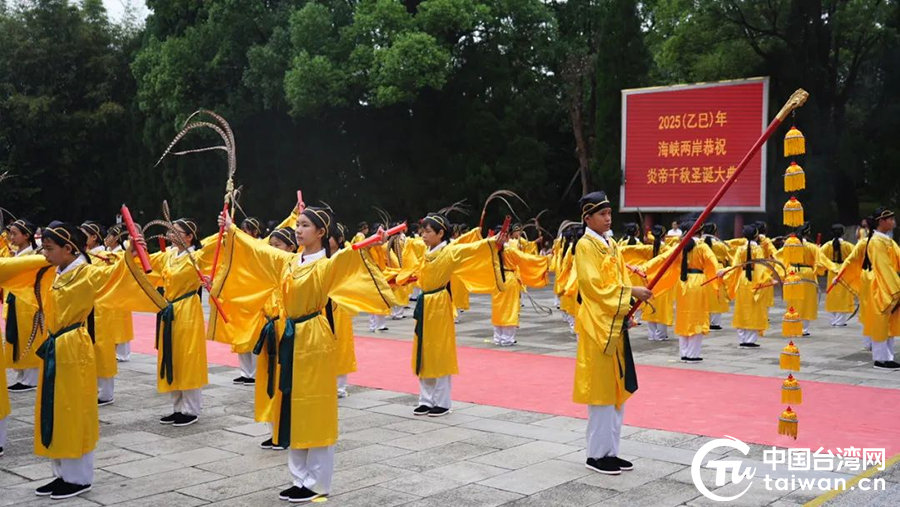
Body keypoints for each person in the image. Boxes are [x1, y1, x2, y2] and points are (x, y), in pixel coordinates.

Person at [209, 205, 397, 502]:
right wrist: (232, 229)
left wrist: (373, 244)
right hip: (291, 335)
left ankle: (317, 482)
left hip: (313, 338)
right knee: (292, 406)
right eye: (298, 224)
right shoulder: (289, 261)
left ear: (321, 232)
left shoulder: (326, 265)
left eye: (305, 225)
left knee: (315, 408)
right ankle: (299, 478)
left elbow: (352, 257)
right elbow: (258, 250)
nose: (298, 230)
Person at [0, 222, 150, 499]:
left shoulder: (87, 272)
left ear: (68, 248)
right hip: (56, 345)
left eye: (49, 248)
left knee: (73, 410)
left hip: (73, 346)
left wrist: (131, 253)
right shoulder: (54, 271)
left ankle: (78, 477)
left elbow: (117, 274)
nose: (44, 254)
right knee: (54, 408)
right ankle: (60, 473)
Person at [573, 191, 652, 475]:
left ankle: (611, 452)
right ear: (587, 218)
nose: (608, 219)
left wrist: (627, 310)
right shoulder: (585, 246)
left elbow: (620, 278)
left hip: (614, 323)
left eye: (609, 213)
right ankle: (596, 455)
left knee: (616, 391)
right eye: (602, 214)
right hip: (597, 326)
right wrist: (630, 293)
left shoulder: (612, 244)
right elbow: (592, 286)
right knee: (601, 393)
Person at [397, 211, 505, 417]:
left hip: (439, 304)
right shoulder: (426, 250)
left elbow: (472, 248)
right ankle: (425, 400)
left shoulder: (450, 251)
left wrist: (492, 241)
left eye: (428, 231)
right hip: (425, 304)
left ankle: (442, 402)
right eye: (422, 231)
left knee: (440, 352)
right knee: (424, 352)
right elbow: (406, 245)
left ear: (440, 233)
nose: (423, 235)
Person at [128, 218, 215, 427]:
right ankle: (177, 408)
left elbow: (220, 247)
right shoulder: (168, 255)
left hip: (188, 309)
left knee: (188, 357)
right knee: (172, 356)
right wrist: (136, 248)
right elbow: (146, 262)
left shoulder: (197, 256)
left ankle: (191, 409)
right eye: (170, 231)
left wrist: (227, 226)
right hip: (170, 309)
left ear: (189, 236)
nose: (170, 235)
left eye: (176, 232)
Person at [834, 208, 900, 370]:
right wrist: (896, 287)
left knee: (887, 320)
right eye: (890, 219)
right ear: (881, 222)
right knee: (880, 320)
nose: (893, 222)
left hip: (884, 281)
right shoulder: (876, 241)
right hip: (879, 283)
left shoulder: (885, 240)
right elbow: (883, 266)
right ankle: (880, 359)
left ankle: (887, 356)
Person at [650, 220, 723, 362]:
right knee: (697, 317)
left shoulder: (681, 245)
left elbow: (663, 258)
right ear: (700, 231)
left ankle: (684, 352)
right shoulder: (701, 246)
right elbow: (712, 259)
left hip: (682, 282)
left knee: (683, 316)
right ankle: (693, 354)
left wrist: (644, 268)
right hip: (698, 282)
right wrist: (719, 271)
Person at [4, 219, 44, 392]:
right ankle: (21, 375)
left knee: (29, 336)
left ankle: (31, 378)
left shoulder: (34, 257)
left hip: (29, 302)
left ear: (27, 235)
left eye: (15, 234)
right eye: (10, 233)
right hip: (15, 301)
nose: (11, 237)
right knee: (16, 336)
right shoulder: (17, 255)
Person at [724, 225, 772, 347]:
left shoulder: (741, 249)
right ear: (756, 236)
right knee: (754, 308)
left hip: (742, 278)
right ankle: (750, 340)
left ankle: (742, 338)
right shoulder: (758, 249)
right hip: (754, 277)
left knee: (741, 308)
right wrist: (765, 279)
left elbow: (735, 266)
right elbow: (761, 267)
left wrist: (726, 274)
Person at [641, 225, 673, 341]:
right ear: (664, 235)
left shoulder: (649, 248)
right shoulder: (667, 249)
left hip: (650, 279)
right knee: (662, 308)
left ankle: (651, 334)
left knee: (651, 305)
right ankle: (660, 334)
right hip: (663, 280)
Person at [820, 224, 855, 327]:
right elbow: (856, 256)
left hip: (832, 270)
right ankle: (840, 321)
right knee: (843, 296)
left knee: (832, 296)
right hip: (844, 270)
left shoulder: (827, 245)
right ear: (843, 233)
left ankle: (833, 320)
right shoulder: (847, 245)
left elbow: (820, 256)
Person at [701, 222, 730, 330]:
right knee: (717, 295)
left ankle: (704, 320)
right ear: (715, 232)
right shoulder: (719, 245)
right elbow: (729, 254)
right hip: (718, 269)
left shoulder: (700, 243)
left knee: (704, 294)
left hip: (703, 269)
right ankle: (715, 322)